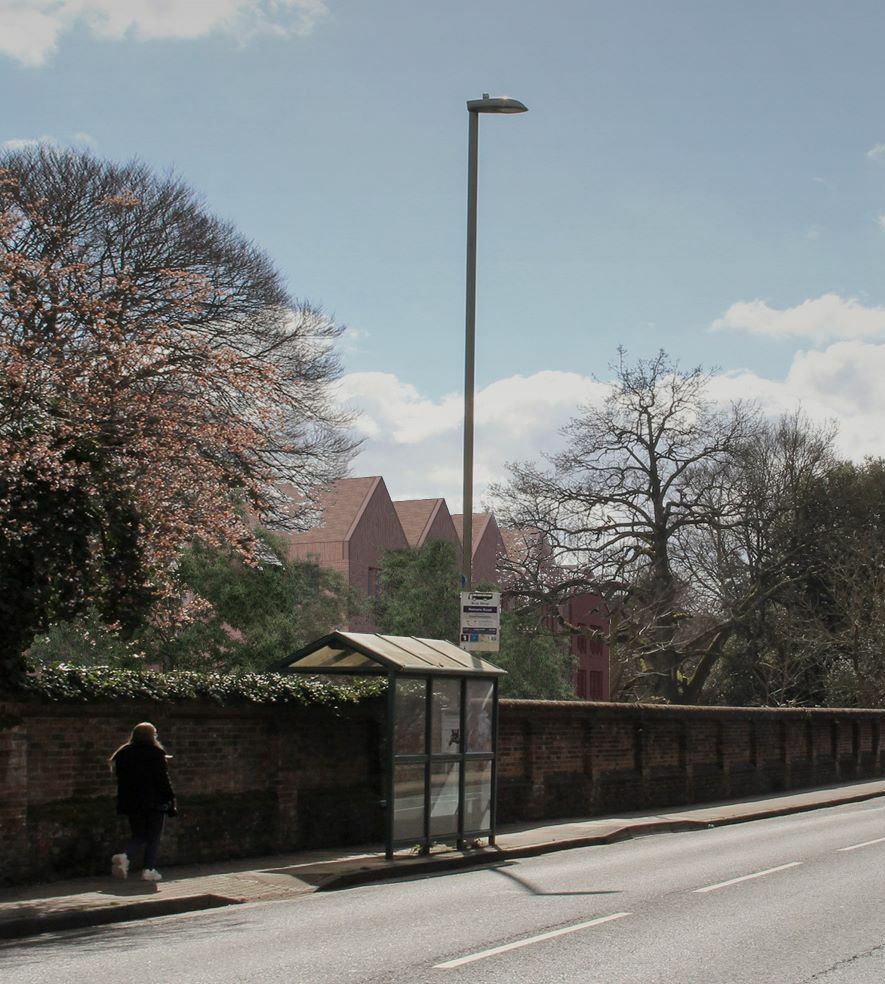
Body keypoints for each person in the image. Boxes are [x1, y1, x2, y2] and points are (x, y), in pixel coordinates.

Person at [109, 721, 177, 882]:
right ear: (150, 736)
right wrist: (171, 798)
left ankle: (125, 856)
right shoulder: (155, 753)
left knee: (139, 834)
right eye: (154, 734)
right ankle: (149, 869)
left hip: (131, 801)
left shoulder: (123, 754)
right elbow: (163, 780)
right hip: (154, 801)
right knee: (153, 836)